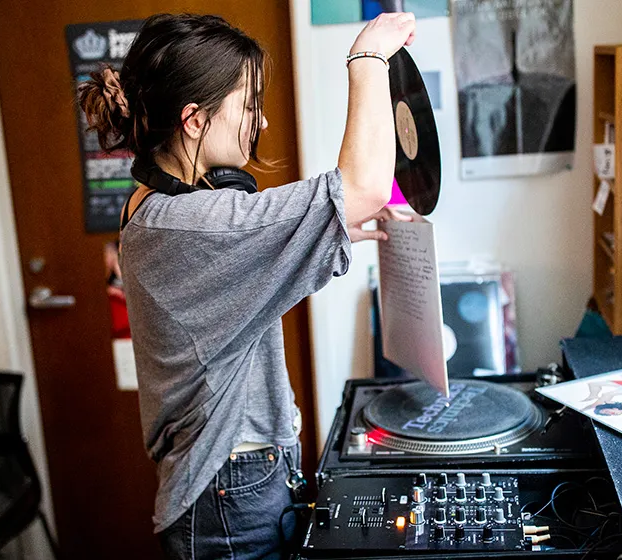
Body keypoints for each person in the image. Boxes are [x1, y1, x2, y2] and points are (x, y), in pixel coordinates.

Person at [77, 12, 417, 559]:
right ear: (193, 120)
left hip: (231, 483)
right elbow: (366, 186)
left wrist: (329, 232)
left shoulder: (158, 207)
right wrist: (367, 57)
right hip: (229, 492)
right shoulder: (194, 223)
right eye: (247, 105)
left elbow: (236, 293)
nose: (259, 122)